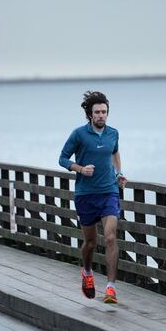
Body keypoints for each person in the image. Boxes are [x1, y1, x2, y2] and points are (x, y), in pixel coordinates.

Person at [59, 91, 128, 304]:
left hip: (109, 192)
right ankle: (87, 273)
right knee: (90, 242)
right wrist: (80, 168)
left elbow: (115, 152)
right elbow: (62, 159)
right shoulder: (79, 134)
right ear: (90, 114)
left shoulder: (113, 133)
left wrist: (118, 174)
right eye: (97, 112)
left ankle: (110, 288)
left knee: (110, 237)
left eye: (104, 112)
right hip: (86, 195)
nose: (101, 115)